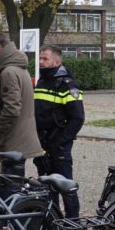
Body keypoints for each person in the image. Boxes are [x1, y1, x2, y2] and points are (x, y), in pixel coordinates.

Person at [0, 32, 43, 196]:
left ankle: (11, 222)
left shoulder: (8, 72)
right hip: (18, 141)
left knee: (9, 194)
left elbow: (11, 110)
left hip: (13, 143)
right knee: (11, 191)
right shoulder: (17, 68)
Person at [33, 44, 84, 218]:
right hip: (42, 145)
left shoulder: (67, 85)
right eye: (40, 58)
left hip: (59, 146)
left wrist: (61, 141)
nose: (40, 62)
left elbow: (77, 118)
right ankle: (53, 224)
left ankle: (72, 227)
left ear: (56, 61)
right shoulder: (41, 81)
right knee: (47, 188)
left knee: (66, 188)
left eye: (44, 58)